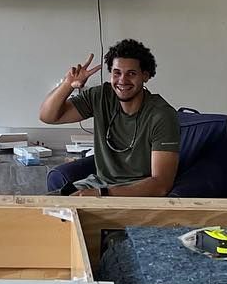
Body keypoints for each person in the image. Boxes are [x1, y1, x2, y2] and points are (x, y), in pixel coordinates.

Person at [38, 39, 180, 197]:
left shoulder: (162, 115)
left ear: (145, 76)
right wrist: (67, 84)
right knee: (43, 209)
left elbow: (161, 184)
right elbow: (48, 116)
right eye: (117, 73)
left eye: (131, 74)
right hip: (99, 184)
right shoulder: (101, 96)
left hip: (135, 194)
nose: (123, 80)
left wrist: (102, 193)